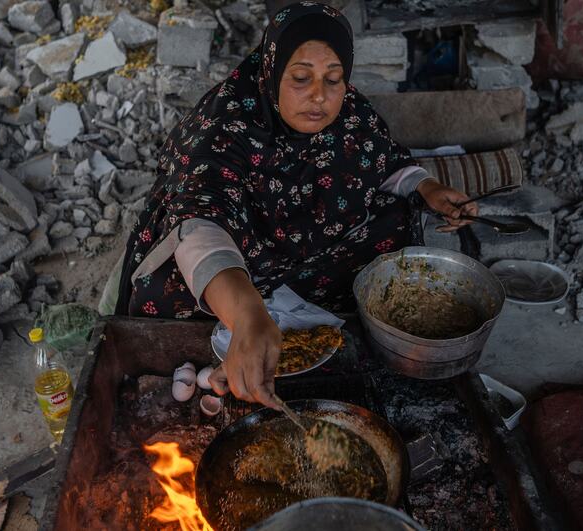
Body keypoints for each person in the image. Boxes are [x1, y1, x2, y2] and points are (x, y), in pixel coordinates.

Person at [112, 2, 477, 408]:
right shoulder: (223, 124)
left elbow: (382, 161)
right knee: (161, 293)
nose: (319, 96)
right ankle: (252, 316)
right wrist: (247, 314)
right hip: (238, 253)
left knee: (394, 219)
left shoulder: (351, 113)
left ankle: (277, 310)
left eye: (334, 79)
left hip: (308, 246)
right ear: (272, 69)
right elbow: (200, 218)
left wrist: (426, 187)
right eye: (301, 78)